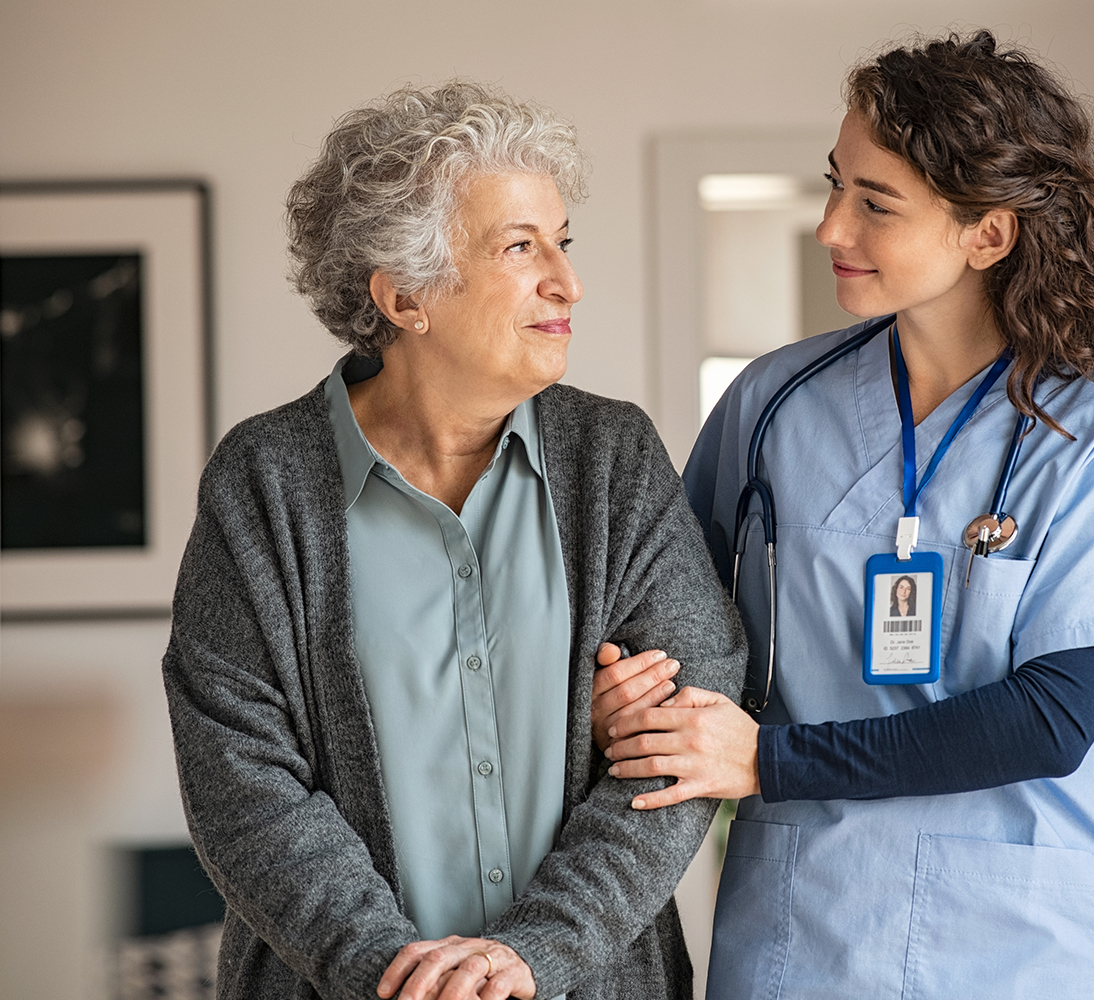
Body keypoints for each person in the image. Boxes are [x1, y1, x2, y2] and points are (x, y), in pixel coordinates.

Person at [592, 32, 1094, 999]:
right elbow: (668, 624)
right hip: (805, 940)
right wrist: (630, 695)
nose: (832, 227)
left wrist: (769, 760)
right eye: (837, 186)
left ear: (987, 235)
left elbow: (1049, 719)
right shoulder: (771, 405)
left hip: (1024, 952)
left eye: (876, 204)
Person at [161, 81, 745, 1000]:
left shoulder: (613, 457)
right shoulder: (263, 482)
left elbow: (687, 737)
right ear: (404, 296)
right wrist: (398, 975)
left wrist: (536, 952)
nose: (567, 281)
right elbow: (241, 783)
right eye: (521, 246)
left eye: (563, 240)